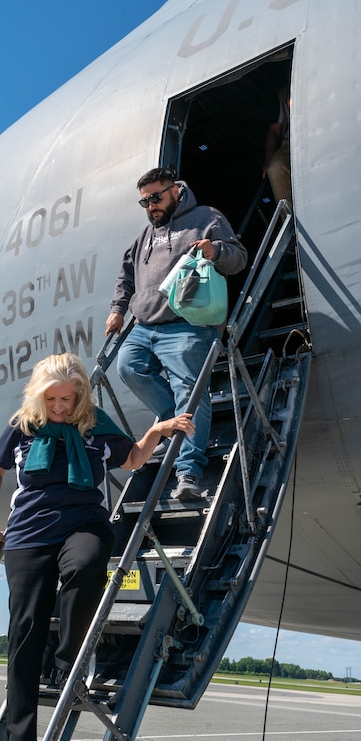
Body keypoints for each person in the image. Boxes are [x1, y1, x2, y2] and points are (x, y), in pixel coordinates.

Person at [0, 352, 195, 741]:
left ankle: (66, 662)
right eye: (52, 400)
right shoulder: (22, 427)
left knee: (86, 564)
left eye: (67, 399)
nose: (60, 407)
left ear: (80, 396)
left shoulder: (95, 426)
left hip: (83, 523)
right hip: (28, 534)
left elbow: (133, 459)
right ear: (38, 396)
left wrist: (159, 431)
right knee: (24, 633)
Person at [105, 166, 247, 503]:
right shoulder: (145, 236)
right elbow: (126, 274)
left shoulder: (206, 218)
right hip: (144, 327)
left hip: (188, 325)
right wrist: (118, 309)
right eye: (145, 202)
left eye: (156, 197)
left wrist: (216, 252)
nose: (151, 206)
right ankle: (175, 424)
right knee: (128, 367)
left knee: (190, 392)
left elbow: (239, 258)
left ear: (176, 191)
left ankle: (188, 473)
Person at [262, 85, 292, 206]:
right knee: (275, 168)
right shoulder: (282, 100)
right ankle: (290, 217)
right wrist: (268, 161)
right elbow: (274, 132)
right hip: (290, 142)